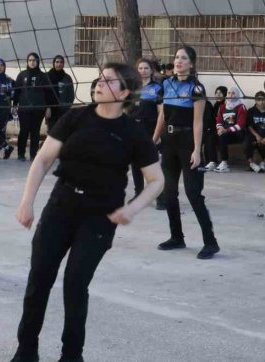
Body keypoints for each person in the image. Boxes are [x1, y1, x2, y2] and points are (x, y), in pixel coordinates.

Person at [10, 63, 163, 362]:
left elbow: (157, 180)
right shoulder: (76, 117)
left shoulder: (132, 132)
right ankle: (26, 350)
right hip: (61, 205)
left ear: (125, 91)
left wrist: (132, 208)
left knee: (75, 283)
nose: (99, 84)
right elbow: (42, 161)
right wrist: (27, 201)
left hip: (100, 215)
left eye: (109, 81)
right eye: (99, 79)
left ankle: (72, 355)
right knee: (39, 278)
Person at [153, 47, 220, 259]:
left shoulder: (196, 88)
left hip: (188, 142)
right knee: (169, 193)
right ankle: (177, 237)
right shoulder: (166, 84)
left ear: (191, 64)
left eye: (184, 58)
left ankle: (211, 242)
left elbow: (198, 121)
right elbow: (162, 117)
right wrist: (153, 140)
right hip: (169, 143)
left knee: (193, 194)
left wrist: (197, 150)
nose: (178, 61)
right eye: (176, 58)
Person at [128, 58, 162, 198]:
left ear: (151, 70)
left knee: (153, 165)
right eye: (140, 68)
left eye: (146, 68)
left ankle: (160, 196)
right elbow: (126, 110)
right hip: (134, 130)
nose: (143, 71)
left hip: (150, 129)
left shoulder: (158, 88)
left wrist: (157, 134)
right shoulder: (132, 88)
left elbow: (162, 113)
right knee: (136, 164)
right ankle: (138, 193)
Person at [13, 53, 52, 161]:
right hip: (24, 109)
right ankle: (21, 154)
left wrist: (48, 107)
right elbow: (17, 91)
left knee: (35, 132)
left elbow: (49, 93)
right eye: (30, 60)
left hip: (38, 109)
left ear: (38, 61)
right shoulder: (22, 75)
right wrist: (14, 105)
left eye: (34, 60)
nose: (32, 62)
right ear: (27, 62)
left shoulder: (43, 76)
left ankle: (33, 154)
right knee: (24, 131)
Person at [214, 86, 247, 173]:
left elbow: (241, 124)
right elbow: (218, 120)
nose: (230, 95)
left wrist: (226, 130)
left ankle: (224, 163)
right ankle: (212, 161)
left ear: (237, 95)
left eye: (233, 93)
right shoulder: (222, 107)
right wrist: (220, 129)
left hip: (237, 134)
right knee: (211, 136)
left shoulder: (241, 107)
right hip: (225, 133)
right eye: (229, 93)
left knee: (223, 136)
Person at [245, 91, 265, 173]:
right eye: (259, 100)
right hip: (254, 136)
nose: (261, 102)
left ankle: (264, 162)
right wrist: (257, 136)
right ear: (255, 100)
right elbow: (249, 126)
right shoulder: (251, 111)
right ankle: (251, 164)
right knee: (245, 143)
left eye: (263, 100)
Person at [46, 54, 75, 131]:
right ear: (53, 63)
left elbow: (71, 94)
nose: (59, 64)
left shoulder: (67, 78)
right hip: (51, 111)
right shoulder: (47, 76)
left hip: (64, 110)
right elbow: (45, 93)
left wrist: (67, 106)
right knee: (52, 132)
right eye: (57, 62)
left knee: (63, 131)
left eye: (61, 62)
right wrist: (47, 108)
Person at [202, 86, 226, 171]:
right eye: (216, 93)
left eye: (220, 93)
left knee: (211, 137)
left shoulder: (226, 106)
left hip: (224, 130)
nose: (218, 95)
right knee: (208, 135)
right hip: (213, 129)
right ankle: (210, 161)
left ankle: (213, 161)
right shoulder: (215, 105)